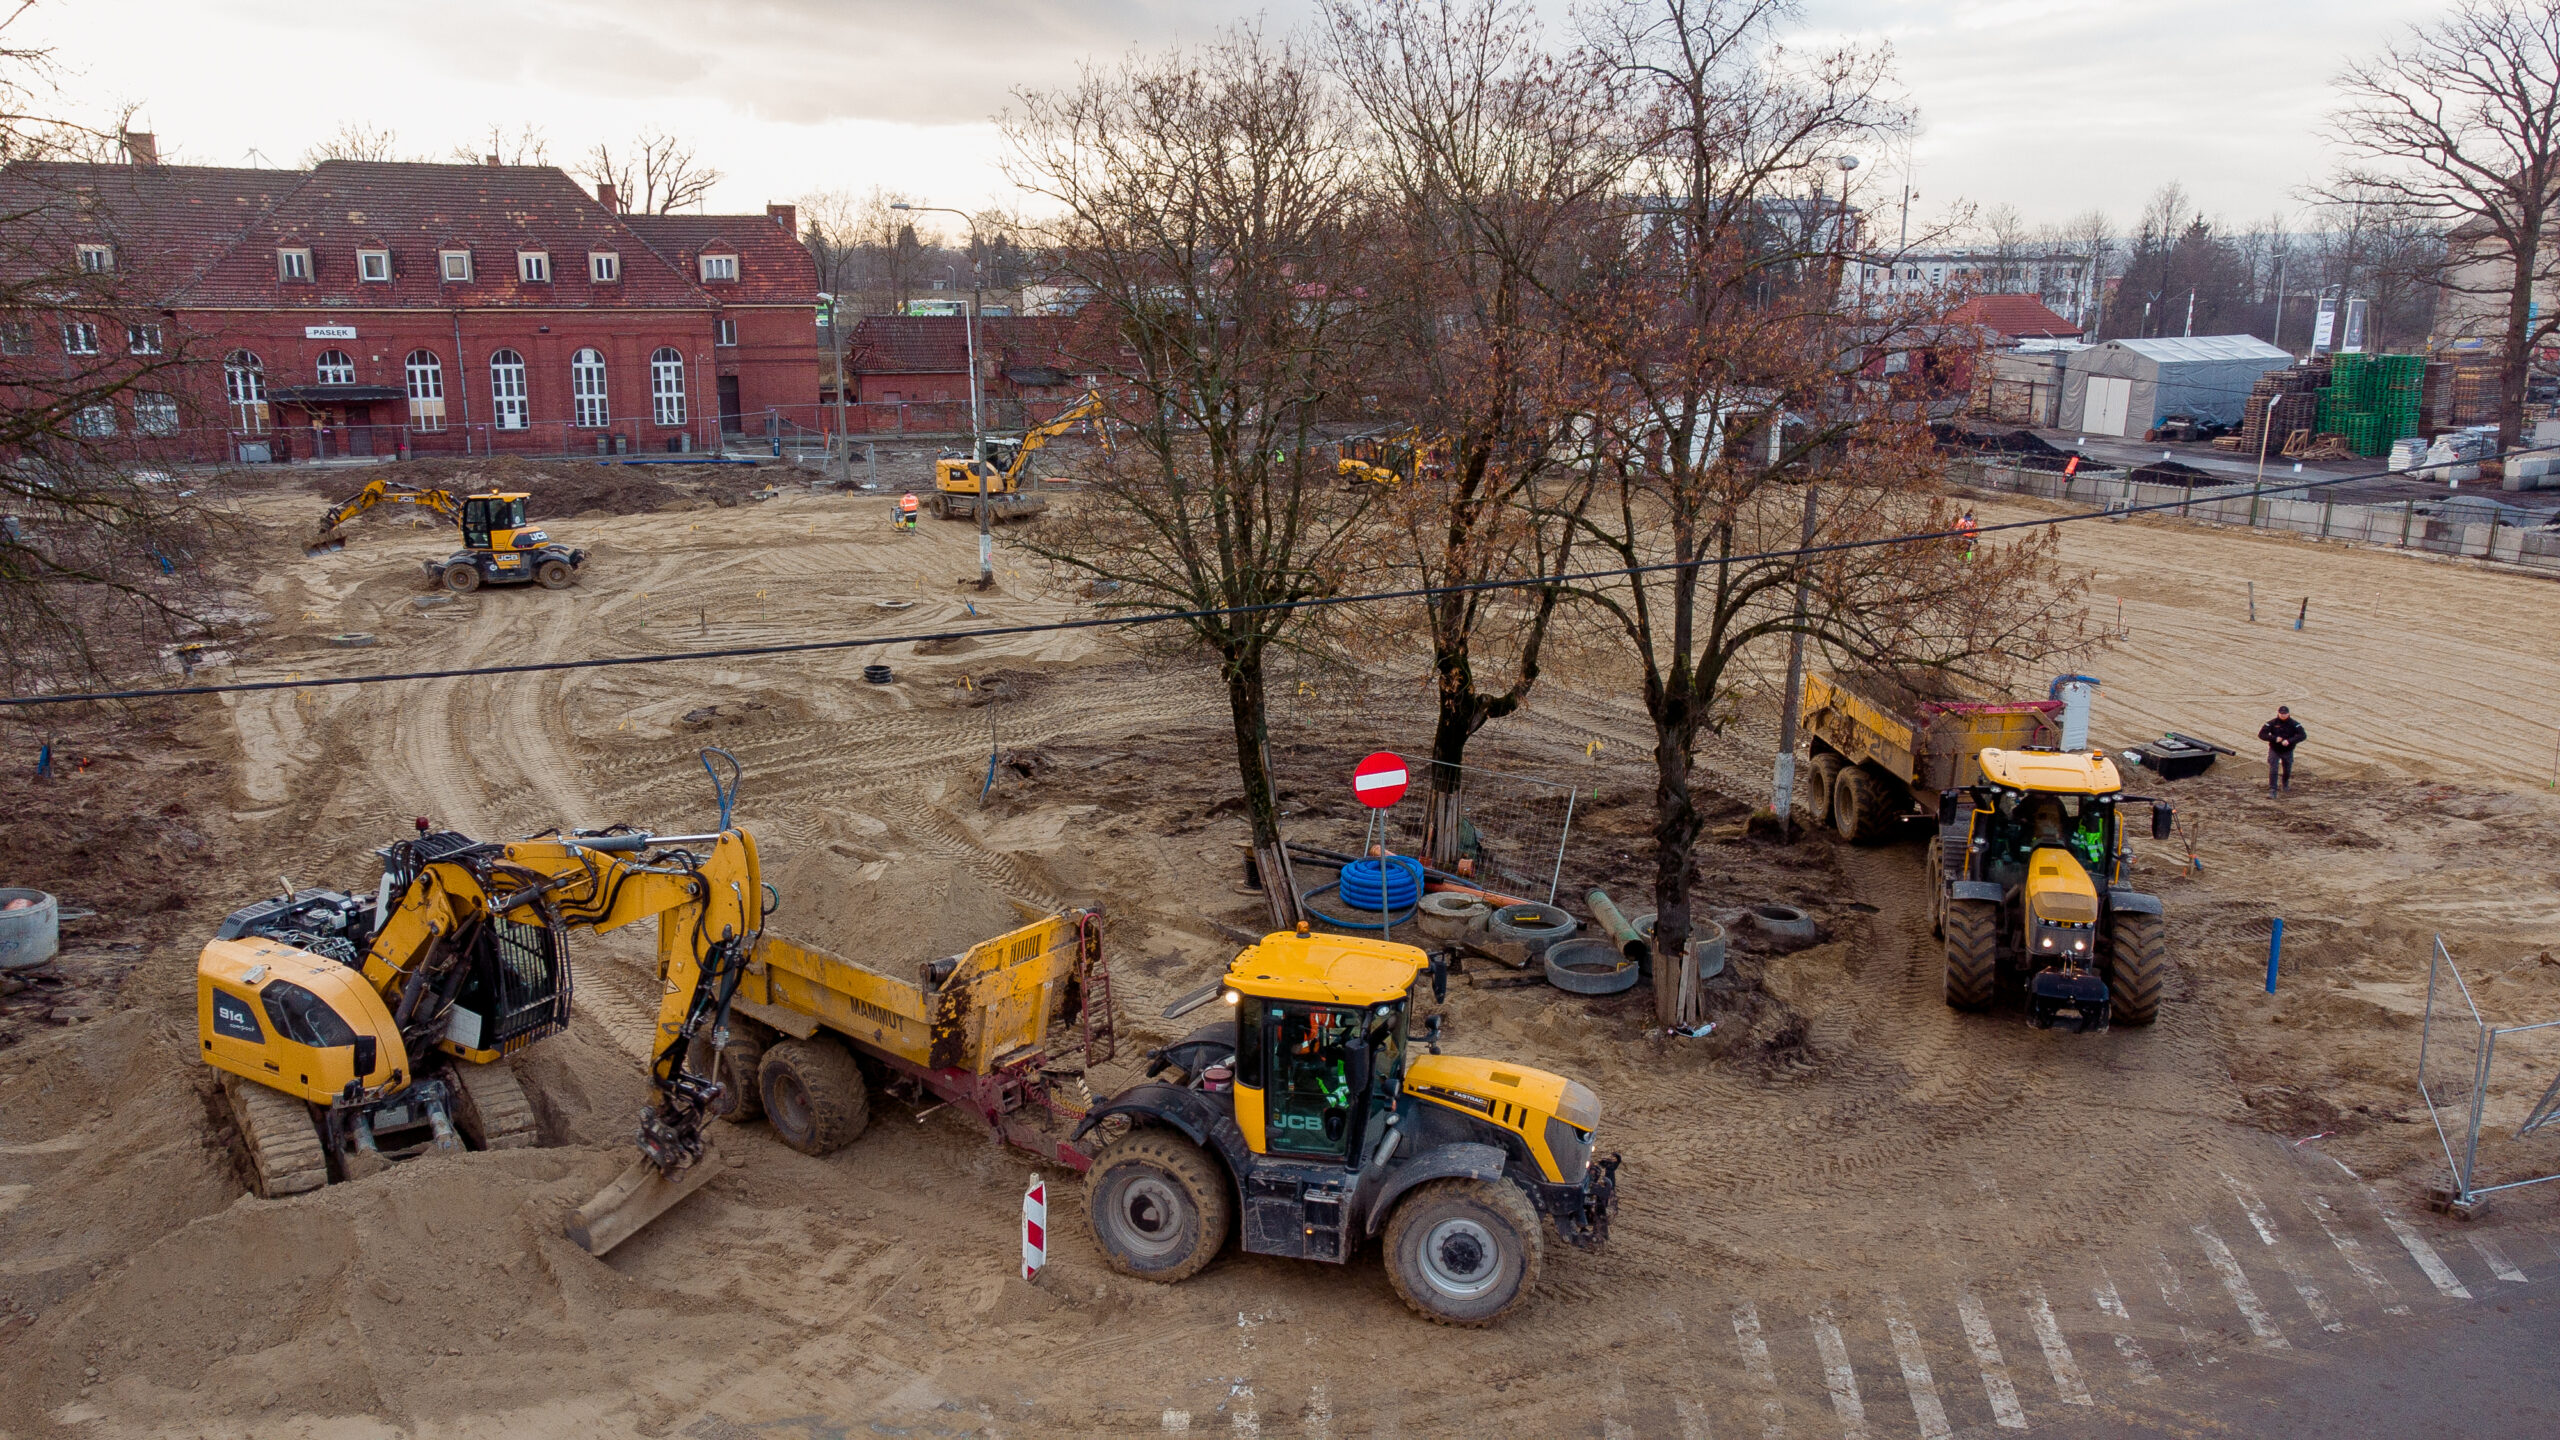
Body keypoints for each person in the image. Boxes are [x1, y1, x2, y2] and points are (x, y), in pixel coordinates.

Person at [2258, 706, 2306, 796]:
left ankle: (2285, 783)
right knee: (2273, 768)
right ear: (2278, 713)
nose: (2283, 715)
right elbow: (2261, 734)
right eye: (2281, 714)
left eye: (2285, 714)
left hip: (2288, 750)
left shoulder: (2294, 724)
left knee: (2287, 769)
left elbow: (2303, 735)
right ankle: (2273, 789)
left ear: (2288, 713)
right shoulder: (2271, 723)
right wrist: (2274, 738)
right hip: (2274, 749)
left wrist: (2289, 741)